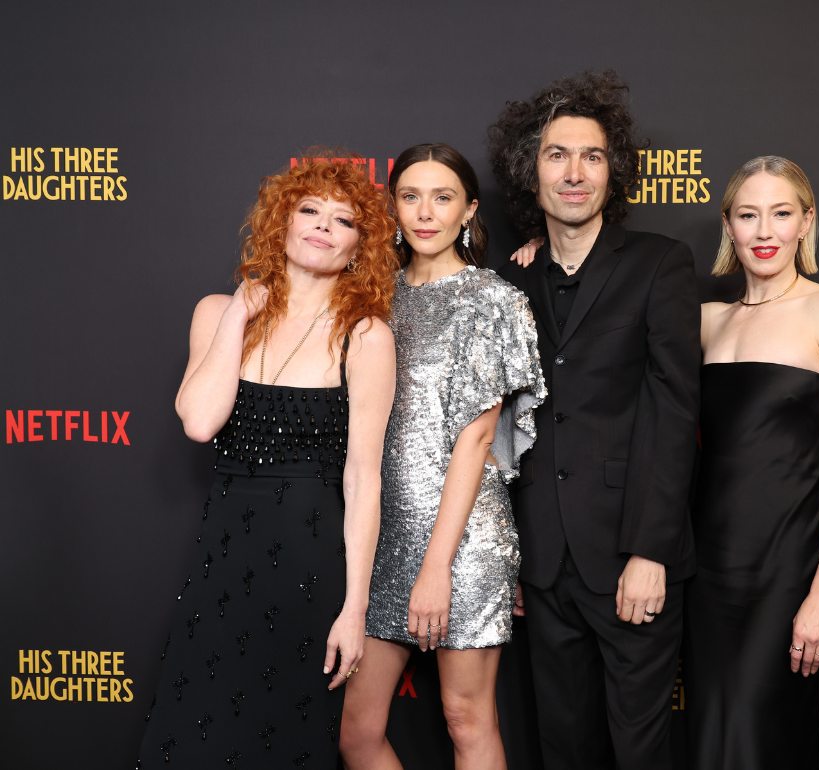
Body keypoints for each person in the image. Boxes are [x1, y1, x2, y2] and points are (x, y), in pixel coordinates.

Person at [138, 151, 398, 768]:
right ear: (280, 223)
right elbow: (200, 422)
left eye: (343, 221)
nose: (322, 226)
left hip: (311, 563)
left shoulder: (365, 335)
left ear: (360, 247)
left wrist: (354, 608)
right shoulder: (215, 312)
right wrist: (237, 313)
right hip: (225, 555)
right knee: (198, 725)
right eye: (309, 211)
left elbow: (364, 478)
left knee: (284, 735)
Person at [493, 71, 700, 770]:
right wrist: (515, 559)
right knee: (562, 748)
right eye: (557, 155)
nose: (574, 172)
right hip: (543, 563)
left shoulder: (660, 264)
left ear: (615, 172)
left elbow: (674, 413)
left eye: (592, 156)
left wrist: (652, 552)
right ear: (531, 171)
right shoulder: (511, 280)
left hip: (628, 559)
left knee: (641, 751)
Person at [337, 143, 545, 770]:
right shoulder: (371, 299)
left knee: (466, 718)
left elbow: (477, 441)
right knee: (356, 733)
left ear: (469, 211)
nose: (425, 213)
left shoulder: (491, 300)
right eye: (410, 196)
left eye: (443, 197)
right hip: (381, 537)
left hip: (464, 541)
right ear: (392, 207)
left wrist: (437, 568)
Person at [685, 156, 819, 769]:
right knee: (711, 744)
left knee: (761, 745)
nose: (764, 231)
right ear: (729, 226)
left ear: (805, 222)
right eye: (748, 215)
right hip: (706, 578)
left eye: (780, 213)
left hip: (787, 575)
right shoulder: (706, 321)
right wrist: (546, 244)